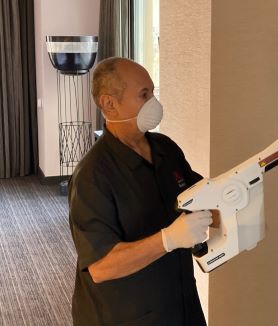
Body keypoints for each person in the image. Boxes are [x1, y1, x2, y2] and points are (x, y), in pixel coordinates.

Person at [68, 57, 212, 326]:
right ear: (109, 103)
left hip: (180, 304)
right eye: (144, 94)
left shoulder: (164, 148)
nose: (154, 102)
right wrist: (168, 239)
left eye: (153, 92)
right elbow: (100, 267)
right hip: (125, 315)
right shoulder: (93, 177)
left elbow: (199, 194)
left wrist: (239, 187)